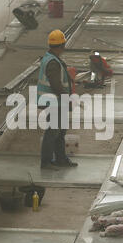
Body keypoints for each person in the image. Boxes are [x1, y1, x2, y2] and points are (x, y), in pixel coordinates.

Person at [37, 29, 78, 170]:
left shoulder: (52, 58)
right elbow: (56, 85)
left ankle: (61, 159)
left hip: (57, 101)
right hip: (55, 102)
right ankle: (46, 162)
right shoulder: (53, 62)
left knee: (60, 132)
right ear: (62, 45)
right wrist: (68, 99)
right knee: (53, 132)